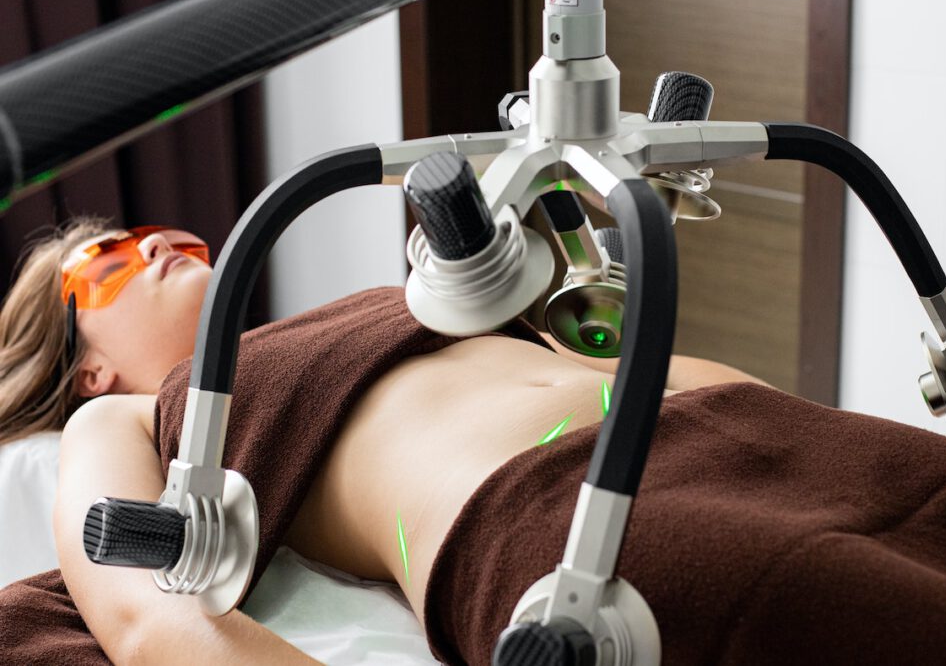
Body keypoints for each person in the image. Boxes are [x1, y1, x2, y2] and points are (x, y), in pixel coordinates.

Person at [0, 218, 766, 664]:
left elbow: (619, 366)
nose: (156, 246)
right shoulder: (117, 423)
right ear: (87, 369)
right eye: (103, 265)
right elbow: (150, 624)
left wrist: (783, 415)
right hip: (587, 529)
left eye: (164, 237)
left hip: (740, 435)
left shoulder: (359, 311)